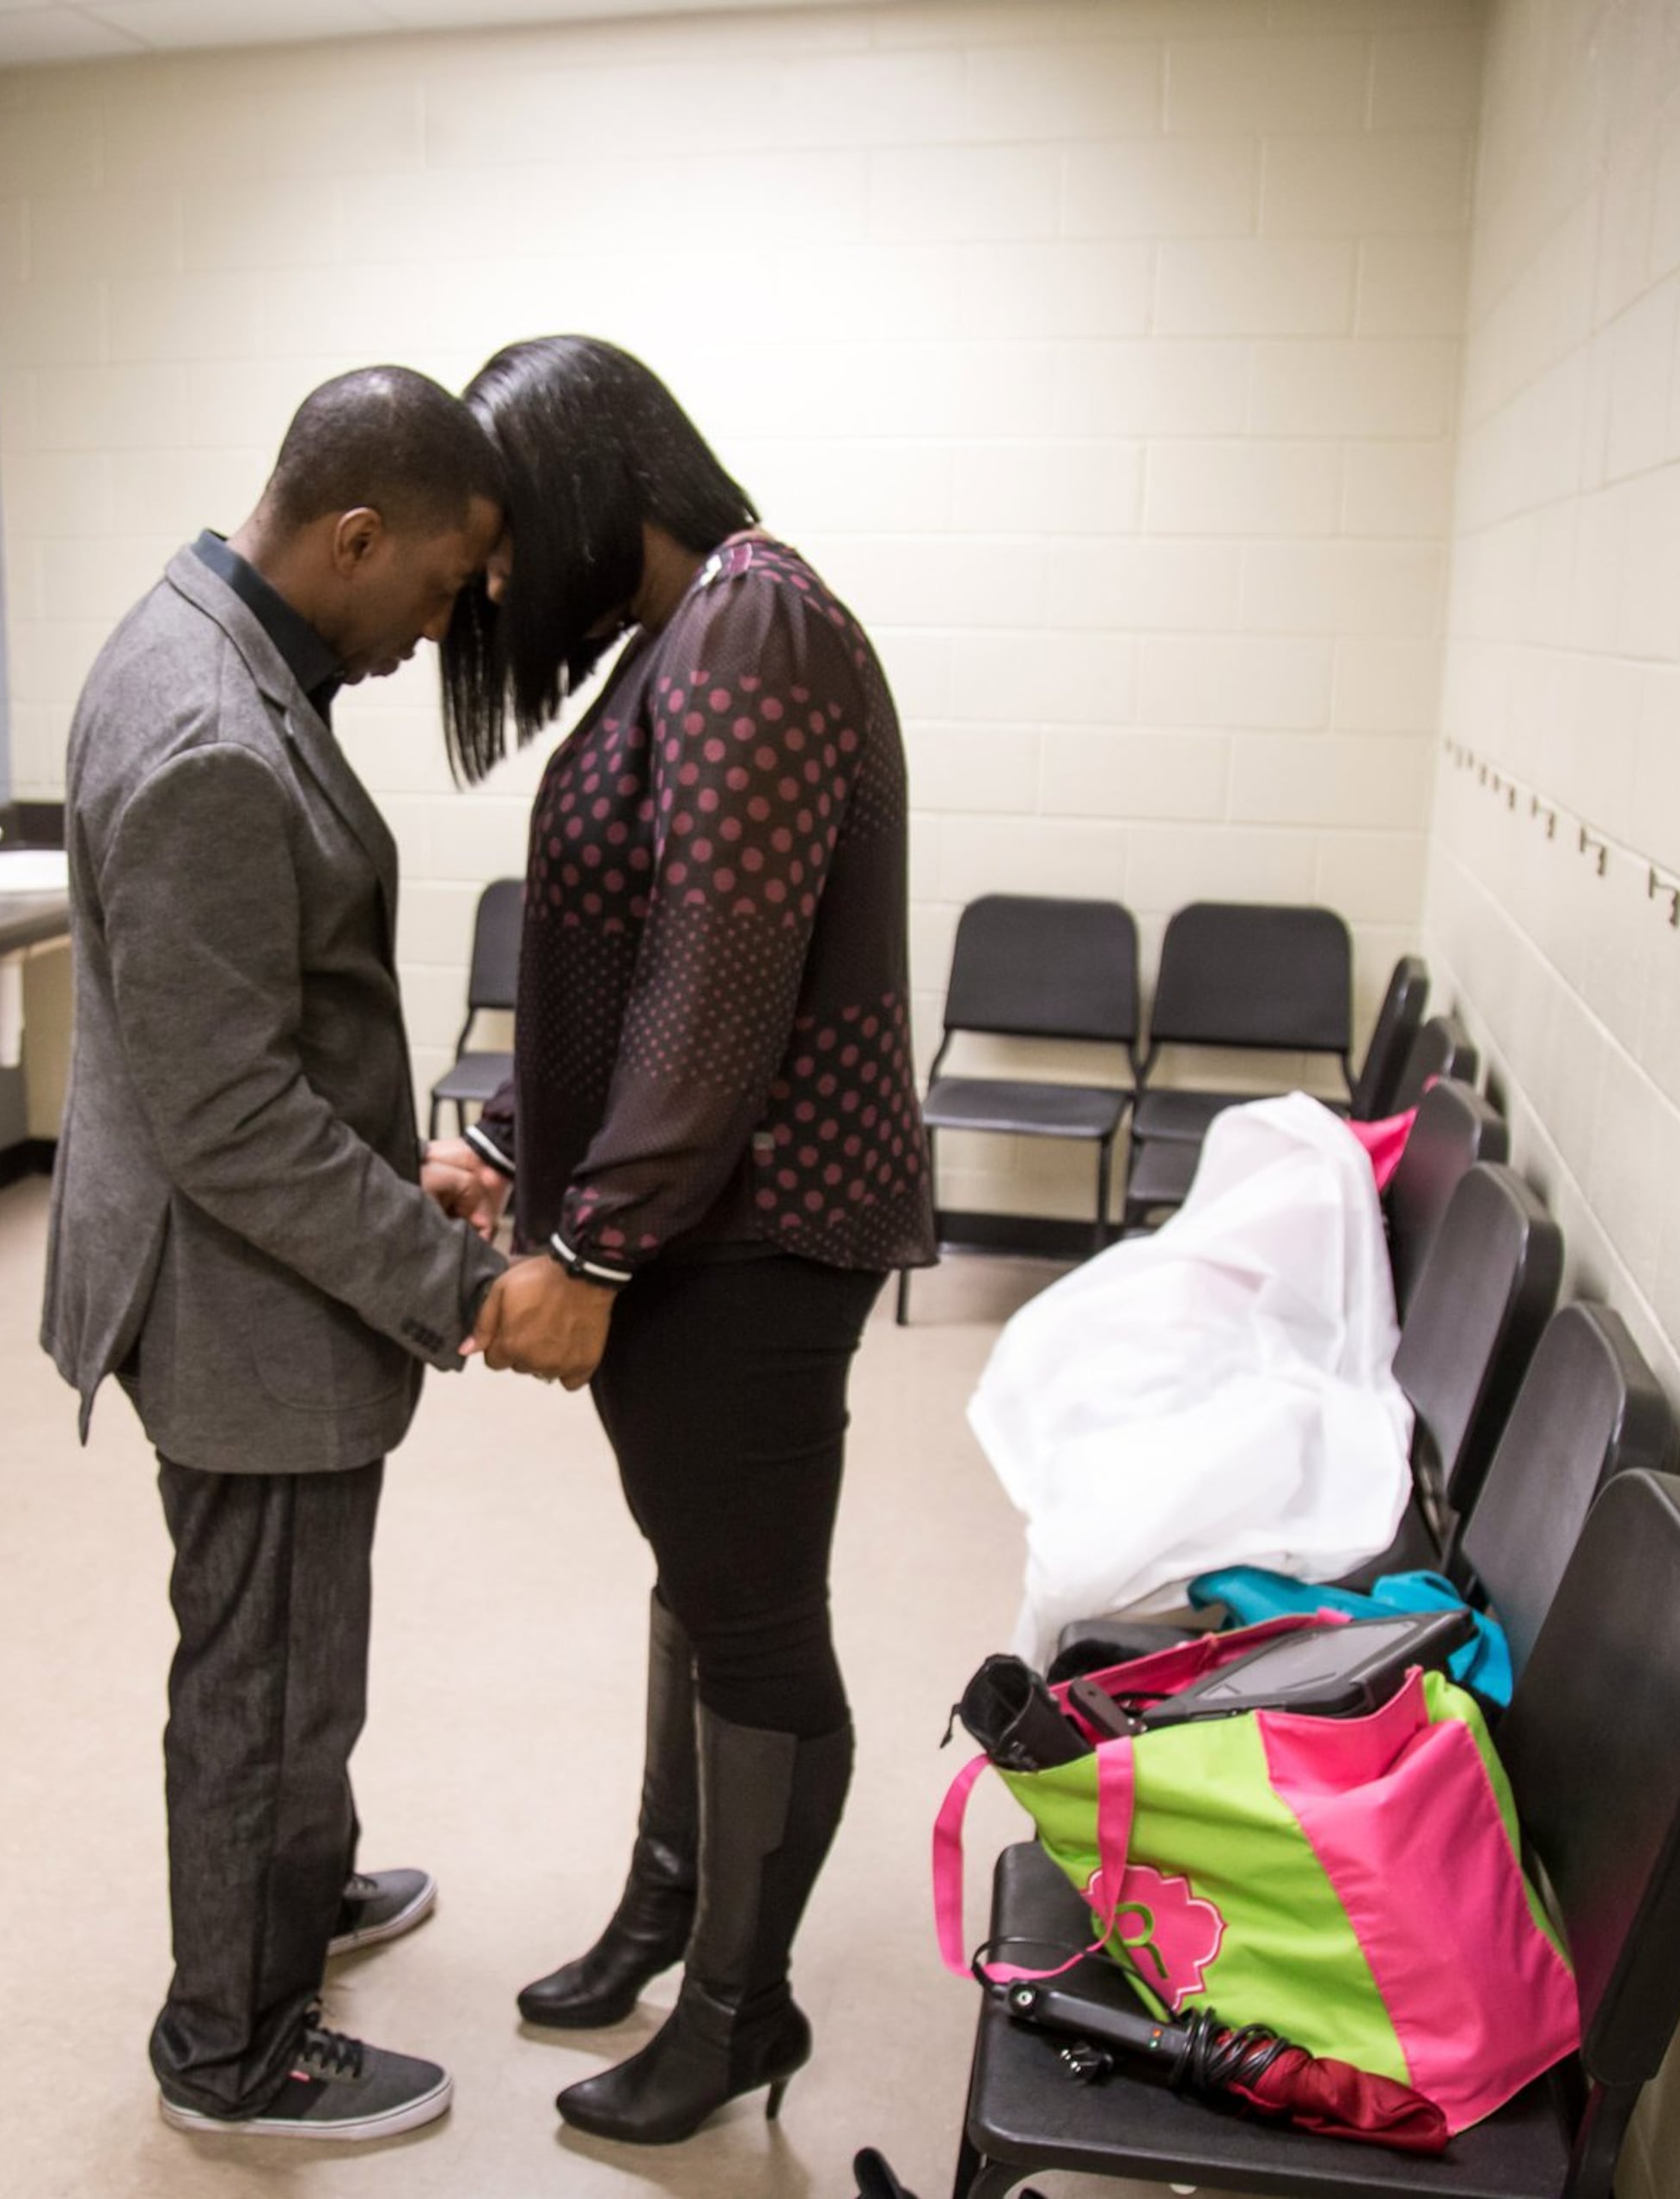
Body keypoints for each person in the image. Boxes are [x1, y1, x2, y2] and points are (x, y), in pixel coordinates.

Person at [429, 336, 934, 2144]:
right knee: (698, 1572)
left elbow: (718, 974)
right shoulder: (688, 635)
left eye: (496, 543)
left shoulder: (755, 627)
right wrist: (515, 1143)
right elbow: (621, 960)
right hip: (699, 1218)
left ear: (585, 490)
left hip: (756, 1226)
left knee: (754, 1616)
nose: (487, 584)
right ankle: (670, 1898)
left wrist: (606, 1242)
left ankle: (741, 2004)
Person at [40, 365, 511, 2144]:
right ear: (354, 533)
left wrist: (398, 1158)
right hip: (238, 1292)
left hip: (258, 1245)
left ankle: (295, 1886)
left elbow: (236, 1023)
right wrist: (454, 1279)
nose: (446, 621)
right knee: (264, 1665)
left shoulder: (216, 649)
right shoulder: (209, 737)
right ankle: (231, 2051)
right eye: (445, 583)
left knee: (301, 1634)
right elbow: (228, 1113)